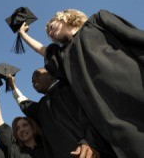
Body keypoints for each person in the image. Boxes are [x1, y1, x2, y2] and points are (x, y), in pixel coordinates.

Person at [18, 9, 144, 157]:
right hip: (116, 122)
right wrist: (23, 34)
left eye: (51, 25)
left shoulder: (97, 22)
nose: (49, 32)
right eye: (47, 33)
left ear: (64, 17)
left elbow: (136, 40)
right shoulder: (65, 58)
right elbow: (42, 50)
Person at [9, 68, 117, 158]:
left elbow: (94, 117)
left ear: (52, 75)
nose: (34, 79)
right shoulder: (42, 107)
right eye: (32, 80)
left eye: (37, 75)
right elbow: (24, 103)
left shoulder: (70, 89)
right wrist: (13, 86)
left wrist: (91, 142)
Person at [0, 80, 46, 158]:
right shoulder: (13, 150)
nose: (21, 130)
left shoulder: (47, 146)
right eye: (17, 128)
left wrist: (12, 85)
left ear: (33, 127)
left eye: (25, 125)